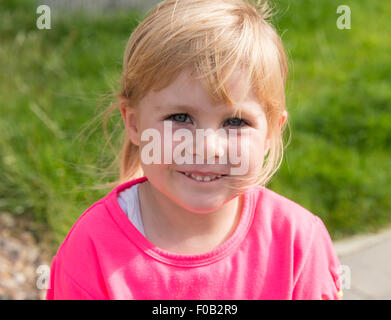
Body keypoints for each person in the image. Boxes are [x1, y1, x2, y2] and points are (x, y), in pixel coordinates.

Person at [46, 0, 343, 300]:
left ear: (271, 133)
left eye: (236, 121)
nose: (207, 147)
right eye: (180, 118)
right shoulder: (92, 249)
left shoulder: (298, 245)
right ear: (134, 124)